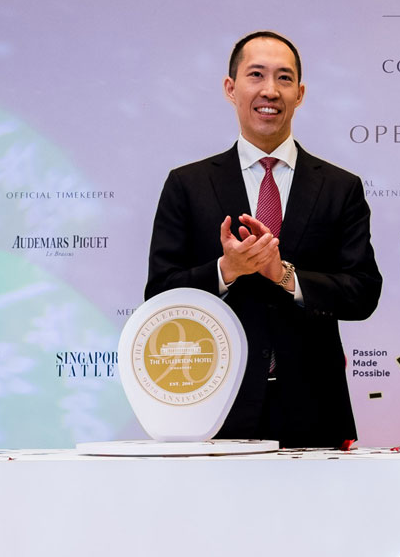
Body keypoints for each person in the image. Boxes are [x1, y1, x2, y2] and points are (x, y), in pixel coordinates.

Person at [145, 31, 381, 448]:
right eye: (256, 75)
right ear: (230, 88)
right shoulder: (188, 184)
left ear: (300, 93)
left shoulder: (340, 187)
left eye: (284, 78)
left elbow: (363, 294)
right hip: (213, 406)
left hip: (315, 411)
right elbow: (159, 294)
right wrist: (227, 270)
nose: (270, 90)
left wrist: (285, 275)